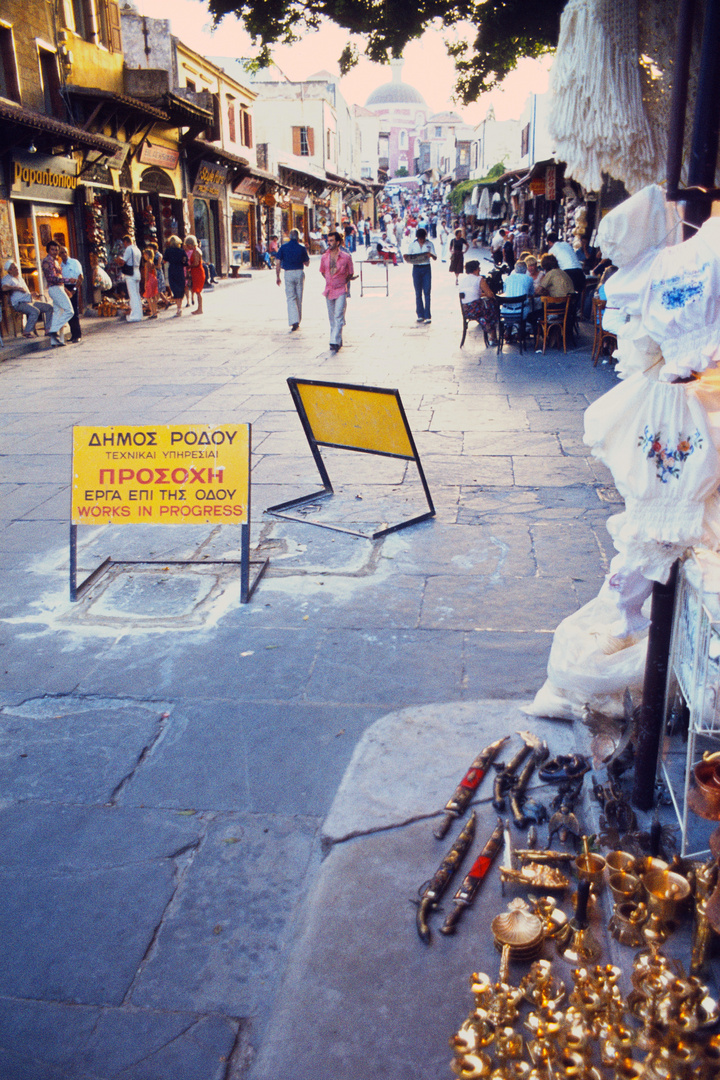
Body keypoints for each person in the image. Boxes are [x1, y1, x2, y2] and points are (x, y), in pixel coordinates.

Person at [319, 230, 354, 352]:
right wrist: (330, 280)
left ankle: (333, 341)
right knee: (332, 317)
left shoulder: (346, 257)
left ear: (338, 242)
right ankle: (337, 340)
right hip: (329, 290)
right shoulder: (324, 257)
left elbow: (350, 273)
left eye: (332, 240)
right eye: (328, 240)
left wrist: (342, 281)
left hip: (340, 289)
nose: (329, 243)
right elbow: (323, 272)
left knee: (339, 315)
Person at [1, 259, 53, 338]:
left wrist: (32, 294)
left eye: (16, 267)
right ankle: (27, 331)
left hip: (29, 300)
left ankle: (48, 330)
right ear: (10, 270)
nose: (17, 269)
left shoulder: (20, 278)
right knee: (35, 311)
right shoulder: (7, 278)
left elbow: (26, 292)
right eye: (14, 268)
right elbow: (4, 288)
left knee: (49, 307)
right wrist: (16, 288)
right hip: (19, 303)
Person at [275, 228, 310, 331]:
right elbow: (307, 263)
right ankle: (298, 320)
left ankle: (293, 320)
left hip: (288, 273)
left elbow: (277, 263)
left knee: (290, 298)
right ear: (298, 237)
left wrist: (278, 276)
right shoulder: (302, 248)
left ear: (289, 237)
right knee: (299, 297)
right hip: (299, 272)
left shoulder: (283, 247)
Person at [41, 240, 74, 346]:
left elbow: (58, 278)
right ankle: (53, 330)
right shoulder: (47, 261)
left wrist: (65, 288)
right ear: (48, 250)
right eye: (52, 249)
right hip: (54, 288)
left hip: (59, 288)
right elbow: (53, 278)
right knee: (69, 310)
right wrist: (68, 280)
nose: (55, 252)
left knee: (58, 313)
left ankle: (55, 341)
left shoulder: (55, 261)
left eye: (56, 250)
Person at [459, 259, 498, 345]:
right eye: (478, 268)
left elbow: (471, 293)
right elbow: (490, 294)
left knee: (485, 308)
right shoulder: (479, 279)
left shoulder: (462, 281)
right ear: (475, 270)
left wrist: (482, 294)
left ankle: (485, 323)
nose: (480, 270)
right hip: (476, 309)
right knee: (493, 305)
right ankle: (492, 335)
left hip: (466, 310)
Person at [407, 227, 437, 324]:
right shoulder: (412, 245)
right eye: (420, 239)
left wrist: (431, 255)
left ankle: (427, 315)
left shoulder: (429, 244)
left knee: (427, 292)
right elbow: (409, 257)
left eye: (423, 238)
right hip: (416, 268)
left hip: (426, 268)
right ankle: (420, 314)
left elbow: (435, 257)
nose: (422, 240)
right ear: (417, 238)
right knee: (418, 292)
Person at [59, 247, 84, 344]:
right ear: (59, 255)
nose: (64, 254)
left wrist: (74, 290)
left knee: (74, 311)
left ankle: (78, 335)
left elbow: (80, 277)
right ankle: (72, 334)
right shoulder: (60, 266)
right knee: (68, 311)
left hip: (74, 286)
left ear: (67, 252)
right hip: (65, 288)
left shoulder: (74, 263)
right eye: (61, 253)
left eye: (65, 252)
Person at [117, 233, 142, 322]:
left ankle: (135, 315)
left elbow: (123, 261)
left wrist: (119, 259)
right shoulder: (137, 249)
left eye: (124, 243)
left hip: (130, 274)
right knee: (137, 294)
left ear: (126, 242)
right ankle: (139, 313)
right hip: (137, 271)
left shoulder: (129, 249)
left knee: (133, 295)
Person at [162, 235, 188, 317]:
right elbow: (185, 260)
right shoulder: (181, 251)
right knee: (180, 287)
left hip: (172, 270)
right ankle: (179, 307)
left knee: (174, 288)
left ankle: (178, 308)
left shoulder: (168, 251)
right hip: (180, 270)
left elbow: (164, 261)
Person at [184, 235, 205, 315]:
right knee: (197, 291)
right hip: (196, 272)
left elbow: (196, 263)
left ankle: (200, 309)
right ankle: (199, 308)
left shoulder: (196, 251)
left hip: (198, 272)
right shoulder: (196, 250)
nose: (187, 247)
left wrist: (188, 266)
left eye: (188, 245)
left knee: (198, 291)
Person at [142, 247, 159, 318]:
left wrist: (145, 282)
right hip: (154, 279)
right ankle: (155, 311)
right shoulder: (152, 262)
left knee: (148, 297)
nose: (144, 256)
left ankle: (152, 312)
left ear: (147, 255)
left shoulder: (147, 263)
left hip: (149, 279)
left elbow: (146, 274)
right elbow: (155, 272)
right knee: (154, 297)